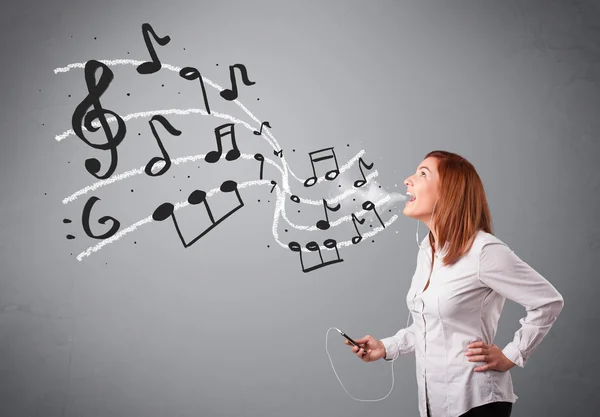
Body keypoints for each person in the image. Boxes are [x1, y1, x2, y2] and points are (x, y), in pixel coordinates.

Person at [343, 150, 564, 417]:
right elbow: (434, 326)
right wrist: (386, 347)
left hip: (477, 403)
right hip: (435, 405)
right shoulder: (428, 251)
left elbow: (548, 302)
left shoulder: (483, 251)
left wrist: (512, 354)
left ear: (449, 192)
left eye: (422, 174)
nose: (407, 180)